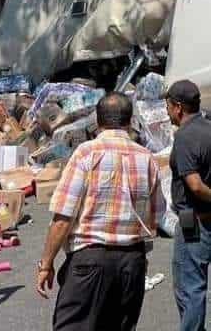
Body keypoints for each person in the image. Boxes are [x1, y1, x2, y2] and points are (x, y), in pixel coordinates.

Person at [36, 92, 162, 331]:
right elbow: (154, 216)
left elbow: (63, 217)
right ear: (129, 120)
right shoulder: (147, 158)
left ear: (98, 120)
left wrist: (46, 264)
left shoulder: (87, 153)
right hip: (131, 262)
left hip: (89, 261)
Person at [164, 80, 211, 331]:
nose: (167, 111)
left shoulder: (185, 136)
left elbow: (195, 185)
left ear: (178, 107)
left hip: (193, 221)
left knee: (189, 287)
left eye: (168, 105)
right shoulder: (209, 129)